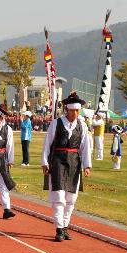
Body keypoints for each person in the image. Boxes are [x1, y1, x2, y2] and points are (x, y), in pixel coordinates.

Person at [41, 92, 93, 242]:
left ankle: (65, 226)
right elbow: (47, 144)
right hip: (57, 161)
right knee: (58, 197)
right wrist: (45, 162)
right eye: (72, 111)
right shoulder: (55, 123)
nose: (75, 113)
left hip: (74, 163)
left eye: (77, 111)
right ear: (67, 110)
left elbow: (85, 147)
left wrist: (87, 165)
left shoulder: (82, 126)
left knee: (71, 198)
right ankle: (58, 229)